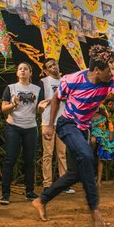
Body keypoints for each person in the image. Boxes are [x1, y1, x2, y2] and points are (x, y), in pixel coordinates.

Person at [32, 45, 114, 227]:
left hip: (83, 129)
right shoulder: (73, 79)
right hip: (67, 124)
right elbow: (56, 98)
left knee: (75, 173)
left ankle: (41, 199)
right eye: (109, 71)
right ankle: (95, 210)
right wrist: (50, 125)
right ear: (96, 70)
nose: (112, 74)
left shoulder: (110, 81)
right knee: (86, 155)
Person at [0, 62, 45, 205]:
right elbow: (3, 108)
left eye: (26, 69)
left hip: (30, 127)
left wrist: (42, 109)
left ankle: (29, 192)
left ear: (30, 73)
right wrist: (13, 104)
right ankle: (5, 194)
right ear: (17, 73)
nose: (23, 71)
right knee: (10, 159)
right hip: (13, 126)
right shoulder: (10, 88)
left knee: (30, 161)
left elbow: (39, 109)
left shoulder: (37, 89)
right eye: (20, 69)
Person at [39, 58, 74, 194]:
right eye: (50, 66)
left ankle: (64, 184)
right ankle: (47, 184)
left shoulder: (65, 81)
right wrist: (55, 99)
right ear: (46, 70)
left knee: (62, 153)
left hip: (63, 121)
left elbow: (72, 98)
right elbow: (40, 102)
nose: (53, 67)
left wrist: (63, 98)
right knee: (47, 154)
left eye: (54, 64)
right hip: (47, 122)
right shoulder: (43, 82)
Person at [90, 111, 114, 187]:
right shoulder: (88, 110)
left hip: (104, 136)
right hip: (92, 135)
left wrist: (111, 133)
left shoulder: (103, 111)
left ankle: (99, 181)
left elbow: (109, 122)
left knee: (101, 158)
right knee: (92, 141)